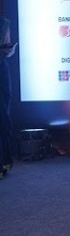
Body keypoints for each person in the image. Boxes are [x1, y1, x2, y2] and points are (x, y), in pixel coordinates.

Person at [0, 17, 17, 179]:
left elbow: (7, 48)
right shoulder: (4, 23)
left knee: (3, 118)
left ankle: (4, 162)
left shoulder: (4, 23)